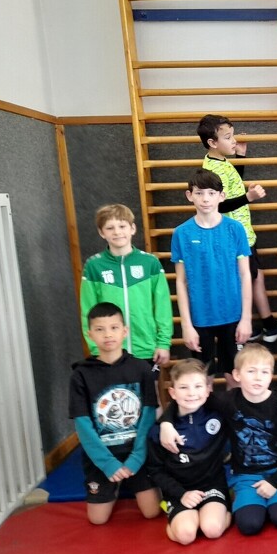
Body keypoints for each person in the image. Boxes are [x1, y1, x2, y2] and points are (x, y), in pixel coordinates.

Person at [161, 344, 277, 536]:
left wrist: (274, 482)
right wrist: (166, 423)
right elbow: (193, 398)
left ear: (271, 376)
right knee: (249, 525)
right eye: (251, 371)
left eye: (264, 372)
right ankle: (239, 499)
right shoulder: (228, 401)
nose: (258, 377)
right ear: (237, 375)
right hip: (246, 475)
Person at [69, 302, 161, 525]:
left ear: (124, 331)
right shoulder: (81, 375)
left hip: (137, 453)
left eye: (114, 328)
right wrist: (108, 464)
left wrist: (136, 458)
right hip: (102, 455)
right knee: (98, 520)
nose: (108, 334)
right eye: (100, 329)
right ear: (90, 334)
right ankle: (115, 484)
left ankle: (128, 480)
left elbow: (149, 416)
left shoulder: (141, 369)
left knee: (151, 512)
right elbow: (82, 425)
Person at [198, 113, 277, 343]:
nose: (233, 140)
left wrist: (241, 156)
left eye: (233, 135)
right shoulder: (211, 170)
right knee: (244, 280)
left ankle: (267, 324)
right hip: (233, 238)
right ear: (212, 142)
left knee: (256, 277)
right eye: (228, 137)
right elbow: (219, 204)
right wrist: (249, 197)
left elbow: (231, 185)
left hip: (243, 234)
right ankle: (245, 326)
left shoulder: (220, 162)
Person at [170, 168, 252, 389]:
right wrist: (186, 325)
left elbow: (245, 275)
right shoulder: (181, 233)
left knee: (235, 376)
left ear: (221, 196)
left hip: (233, 316)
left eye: (211, 193)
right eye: (199, 193)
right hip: (200, 319)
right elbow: (181, 282)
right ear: (190, 196)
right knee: (201, 378)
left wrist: (246, 318)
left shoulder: (235, 229)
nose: (205, 199)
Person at [146, 359, 230, 545]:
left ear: (207, 390)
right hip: (179, 490)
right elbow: (155, 470)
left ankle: (224, 508)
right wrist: (181, 494)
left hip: (212, 485)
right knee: (186, 535)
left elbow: (250, 399)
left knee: (212, 529)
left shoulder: (219, 414)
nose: (192, 393)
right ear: (172, 393)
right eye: (183, 387)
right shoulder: (159, 432)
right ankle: (176, 516)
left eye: (198, 386)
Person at [80, 204, 172, 366]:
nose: (117, 232)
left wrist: (163, 343)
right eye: (110, 228)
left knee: (148, 384)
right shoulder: (94, 266)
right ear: (101, 232)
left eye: (122, 226)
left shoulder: (150, 263)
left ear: (133, 228)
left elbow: (162, 306)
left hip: (146, 348)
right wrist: (96, 348)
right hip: (109, 351)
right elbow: (88, 311)